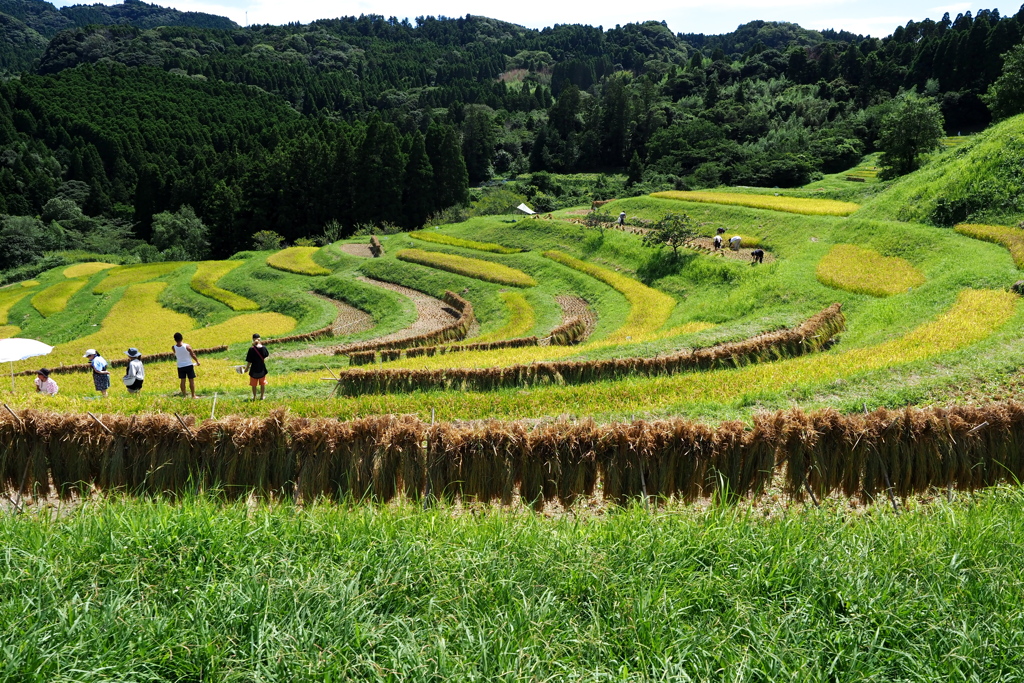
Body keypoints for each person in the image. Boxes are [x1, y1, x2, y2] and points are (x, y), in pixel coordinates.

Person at [172, 332, 200, 398]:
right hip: (188, 365)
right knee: (191, 380)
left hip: (180, 366)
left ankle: (184, 396)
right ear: (182, 338)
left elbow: (177, 353)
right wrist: (197, 361)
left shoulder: (173, 347)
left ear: (175, 339)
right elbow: (192, 354)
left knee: (182, 381)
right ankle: (193, 395)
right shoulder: (187, 346)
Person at [244, 333, 270, 400]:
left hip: (253, 370)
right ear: (259, 339)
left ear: (253, 339)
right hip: (262, 369)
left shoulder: (251, 349)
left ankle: (254, 397)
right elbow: (266, 355)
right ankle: (262, 397)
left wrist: (247, 368)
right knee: (262, 384)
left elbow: (249, 361)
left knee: (254, 385)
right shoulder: (263, 348)